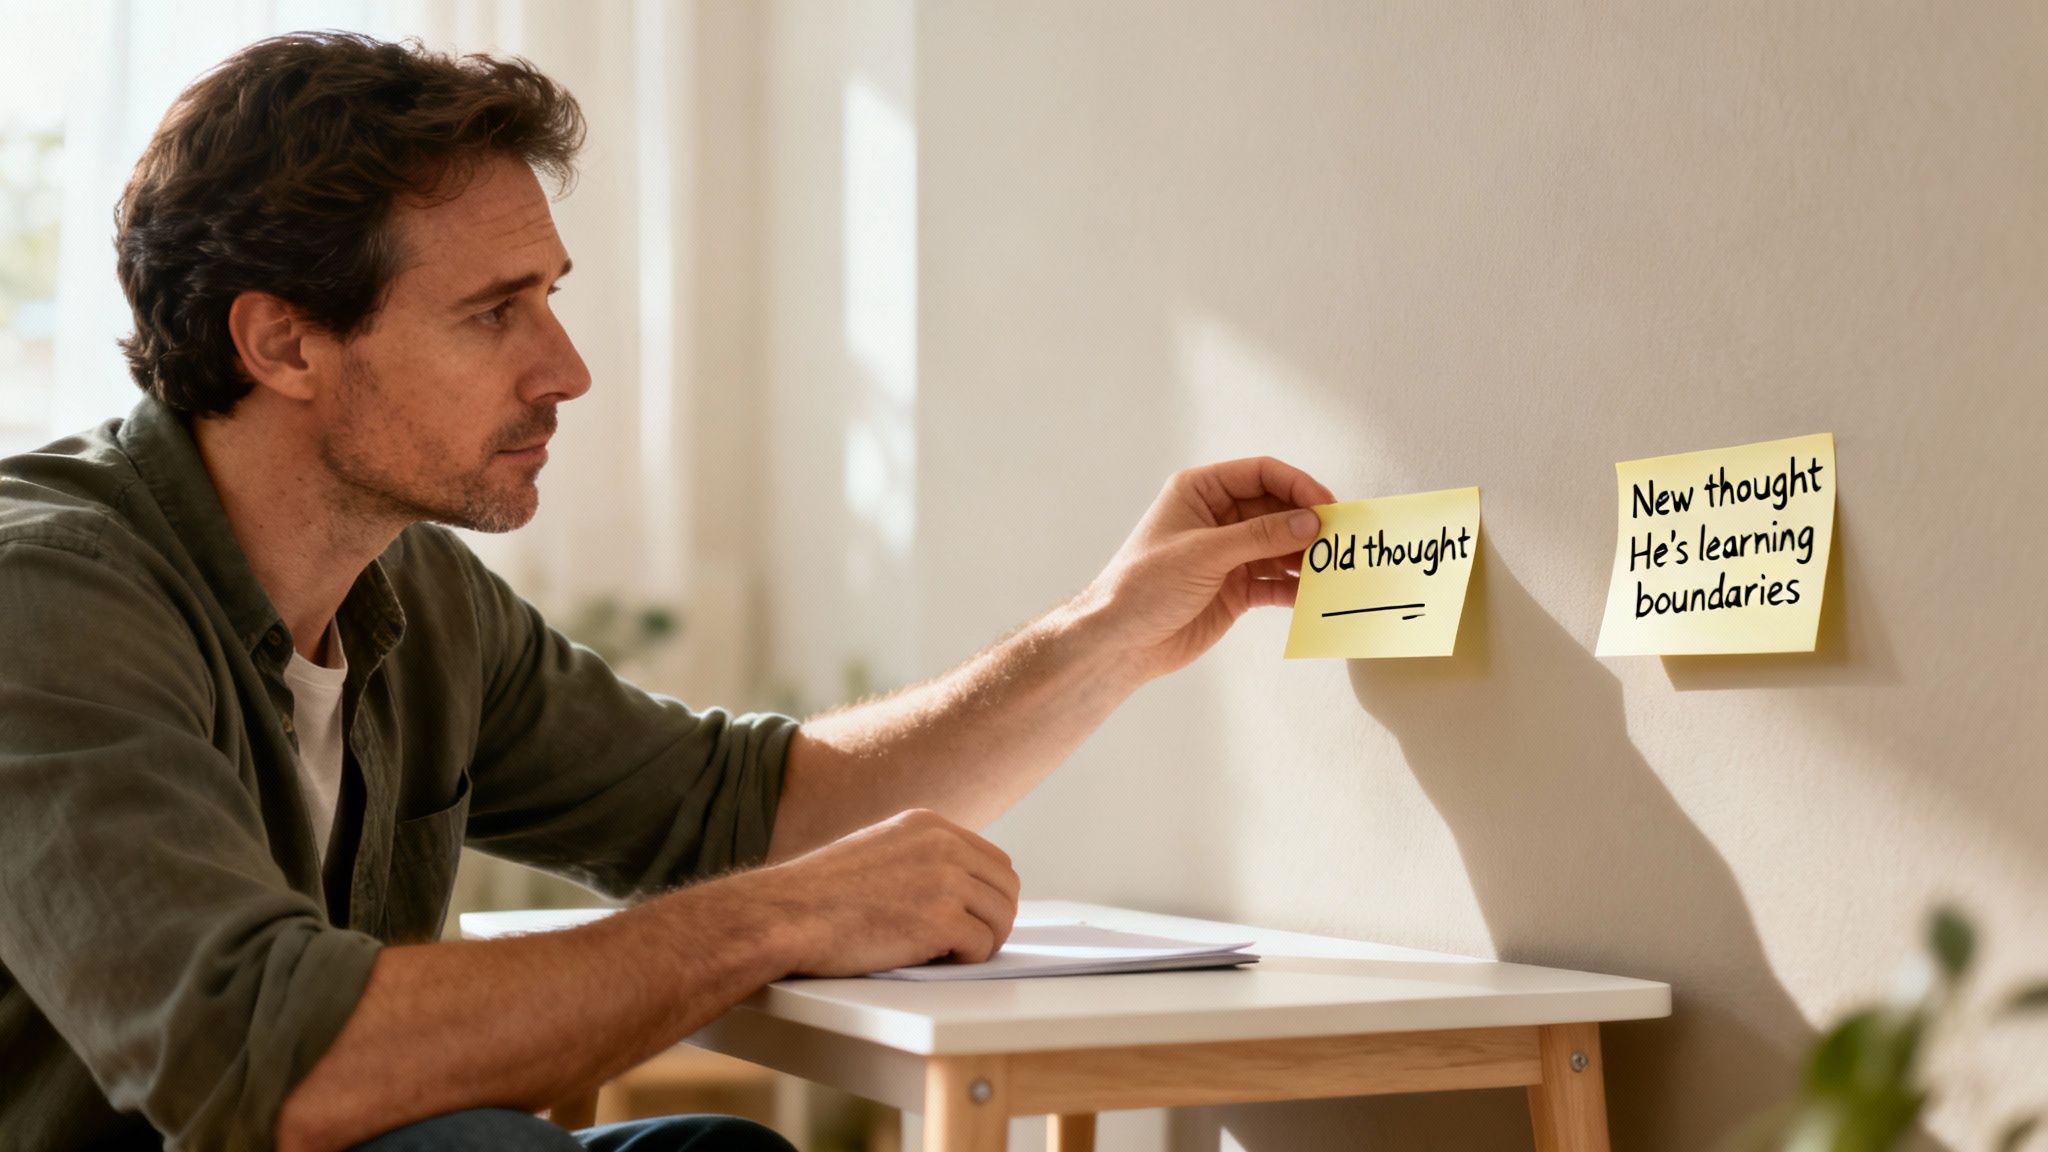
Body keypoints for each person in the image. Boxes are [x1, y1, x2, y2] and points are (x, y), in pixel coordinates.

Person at [0, 31, 1333, 1152]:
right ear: (282, 340)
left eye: (552, 299)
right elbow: (265, 1057)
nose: (567, 370)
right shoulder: (43, 596)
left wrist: (1111, 632)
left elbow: (744, 814)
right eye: (492, 312)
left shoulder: (424, 604)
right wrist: (785, 917)